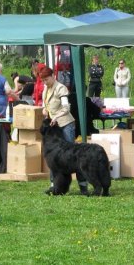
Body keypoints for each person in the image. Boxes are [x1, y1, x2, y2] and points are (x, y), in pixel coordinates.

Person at [39, 67, 89, 195]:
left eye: (46, 79)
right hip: (54, 126)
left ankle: (83, 186)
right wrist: (44, 109)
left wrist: (56, 116)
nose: (45, 82)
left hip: (66, 124)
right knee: (53, 157)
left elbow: (66, 108)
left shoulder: (61, 88)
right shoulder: (46, 88)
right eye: (43, 80)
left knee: (73, 157)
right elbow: (46, 103)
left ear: (53, 76)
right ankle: (54, 186)